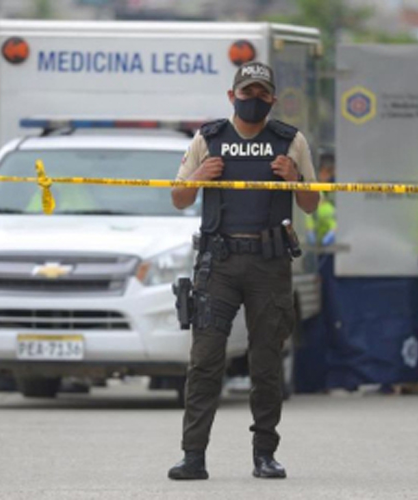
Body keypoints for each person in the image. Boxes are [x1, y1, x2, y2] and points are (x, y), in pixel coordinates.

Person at [168, 61, 319, 480]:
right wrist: (200, 175)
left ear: (272, 99)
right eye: (246, 93)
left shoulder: (290, 141)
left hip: (269, 264)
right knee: (204, 361)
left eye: (261, 94)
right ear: (231, 96)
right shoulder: (208, 139)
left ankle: (264, 455)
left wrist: (295, 181)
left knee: (267, 362)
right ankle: (193, 456)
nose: (253, 101)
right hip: (219, 264)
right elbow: (179, 198)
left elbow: (312, 205)